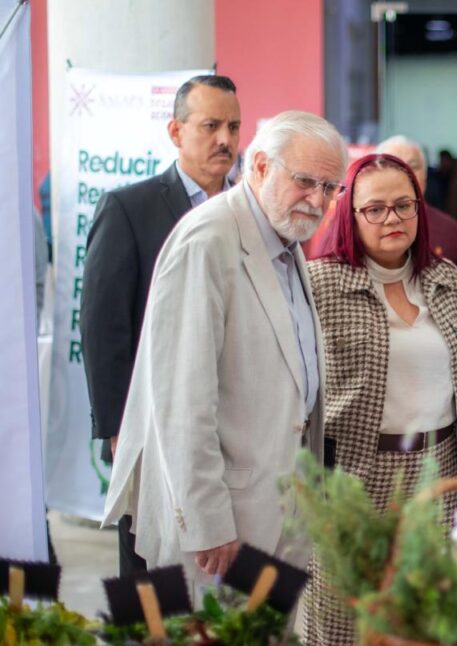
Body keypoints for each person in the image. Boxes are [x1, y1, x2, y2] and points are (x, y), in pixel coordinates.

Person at [102, 111, 346, 601]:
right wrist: (206, 521)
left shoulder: (283, 237)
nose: (318, 200)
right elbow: (181, 399)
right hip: (224, 527)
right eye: (304, 181)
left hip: (282, 509)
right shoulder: (209, 239)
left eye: (329, 187)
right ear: (260, 166)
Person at [304, 153, 457, 646]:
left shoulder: (443, 277)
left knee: (421, 630)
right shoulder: (320, 283)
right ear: (349, 215)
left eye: (403, 205)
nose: (392, 218)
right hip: (355, 475)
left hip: (436, 473)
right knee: (343, 627)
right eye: (374, 209)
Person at [81, 74, 241, 577]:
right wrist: (117, 429)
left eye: (234, 127)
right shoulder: (130, 208)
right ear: (176, 131)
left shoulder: (250, 212)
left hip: (232, 426)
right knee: (149, 566)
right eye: (210, 126)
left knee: (220, 572)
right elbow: (103, 327)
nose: (225, 140)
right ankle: (142, 633)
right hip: (149, 424)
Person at [376, 134, 457, 271]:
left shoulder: (450, 232)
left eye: (413, 166)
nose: (405, 173)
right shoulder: (362, 227)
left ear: (425, 175)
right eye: (394, 166)